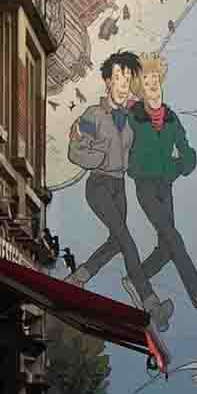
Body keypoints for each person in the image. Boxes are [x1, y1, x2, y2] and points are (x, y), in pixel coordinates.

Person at [66, 52, 171, 328]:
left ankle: (78, 278)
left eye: (127, 78)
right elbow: (75, 150)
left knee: (116, 241)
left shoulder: (134, 117)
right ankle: (150, 301)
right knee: (127, 241)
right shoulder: (93, 115)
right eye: (118, 78)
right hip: (98, 184)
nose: (123, 84)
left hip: (119, 186)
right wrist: (99, 157)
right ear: (106, 82)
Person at [128, 53, 197, 322]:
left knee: (167, 247)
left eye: (155, 79)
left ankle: (137, 277)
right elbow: (127, 153)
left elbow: (188, 154)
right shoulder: (133, 118)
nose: (152, 84)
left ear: (161, 82)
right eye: (146, 81)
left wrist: (177, 165)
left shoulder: (171, 119)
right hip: (145, 186)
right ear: (140, 87)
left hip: (165, 187)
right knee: (173, 236)